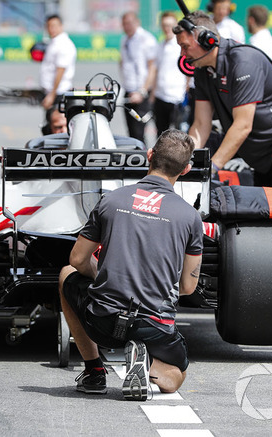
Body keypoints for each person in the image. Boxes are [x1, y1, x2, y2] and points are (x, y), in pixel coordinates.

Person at [59, 129, 203, 400]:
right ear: (186, 170)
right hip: (154, 325)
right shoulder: (190, 217)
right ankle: (146, 363)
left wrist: (99, 275)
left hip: (103, 320)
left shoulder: (112, 200)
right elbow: (187, 286)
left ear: (149, 156)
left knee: (66, 273)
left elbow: (77, 259)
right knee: (176, 376)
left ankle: (93, 371)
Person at [175, 10, 272, 190]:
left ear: (207, 40)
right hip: (262, 153)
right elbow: (200, 124)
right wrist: (187, 162)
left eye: (185, 46)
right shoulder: (201, 70)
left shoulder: (243, 62)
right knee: (265, 211)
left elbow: (242, 125)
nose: (182, 54)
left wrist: (211, 168)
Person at [119, 11, 158, 143]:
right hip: (128, 90)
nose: (127, 26)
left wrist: (143, 91)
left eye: (130, 23)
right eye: (124, 23)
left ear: (137, 22)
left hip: (142, 92)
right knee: (130, 133)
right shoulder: (124, 40)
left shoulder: (146, 39)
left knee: (139, 132)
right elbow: (122, 63)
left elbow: (152, 67)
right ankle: (134, 160)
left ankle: (142, 160)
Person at [151, 11, 189, 136]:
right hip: (160, 96)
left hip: (177, 96)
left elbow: (188, 70)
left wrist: (186, 90)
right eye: (164, 25)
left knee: (177, 135)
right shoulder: (160, 45)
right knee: (161, 133)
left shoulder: (180, 46)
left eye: (169, 25)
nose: (167, 28)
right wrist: (153, 94)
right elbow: (156, 70)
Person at [39, 14, 76, 111]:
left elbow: (60, 70)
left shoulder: (64, 44)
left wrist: (52, 94)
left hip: (59, 92)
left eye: (54, 26)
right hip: (51, 91)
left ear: (61, 26)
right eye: (49, 26)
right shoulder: (54, 42)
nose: (51, 29)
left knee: (57, 123)